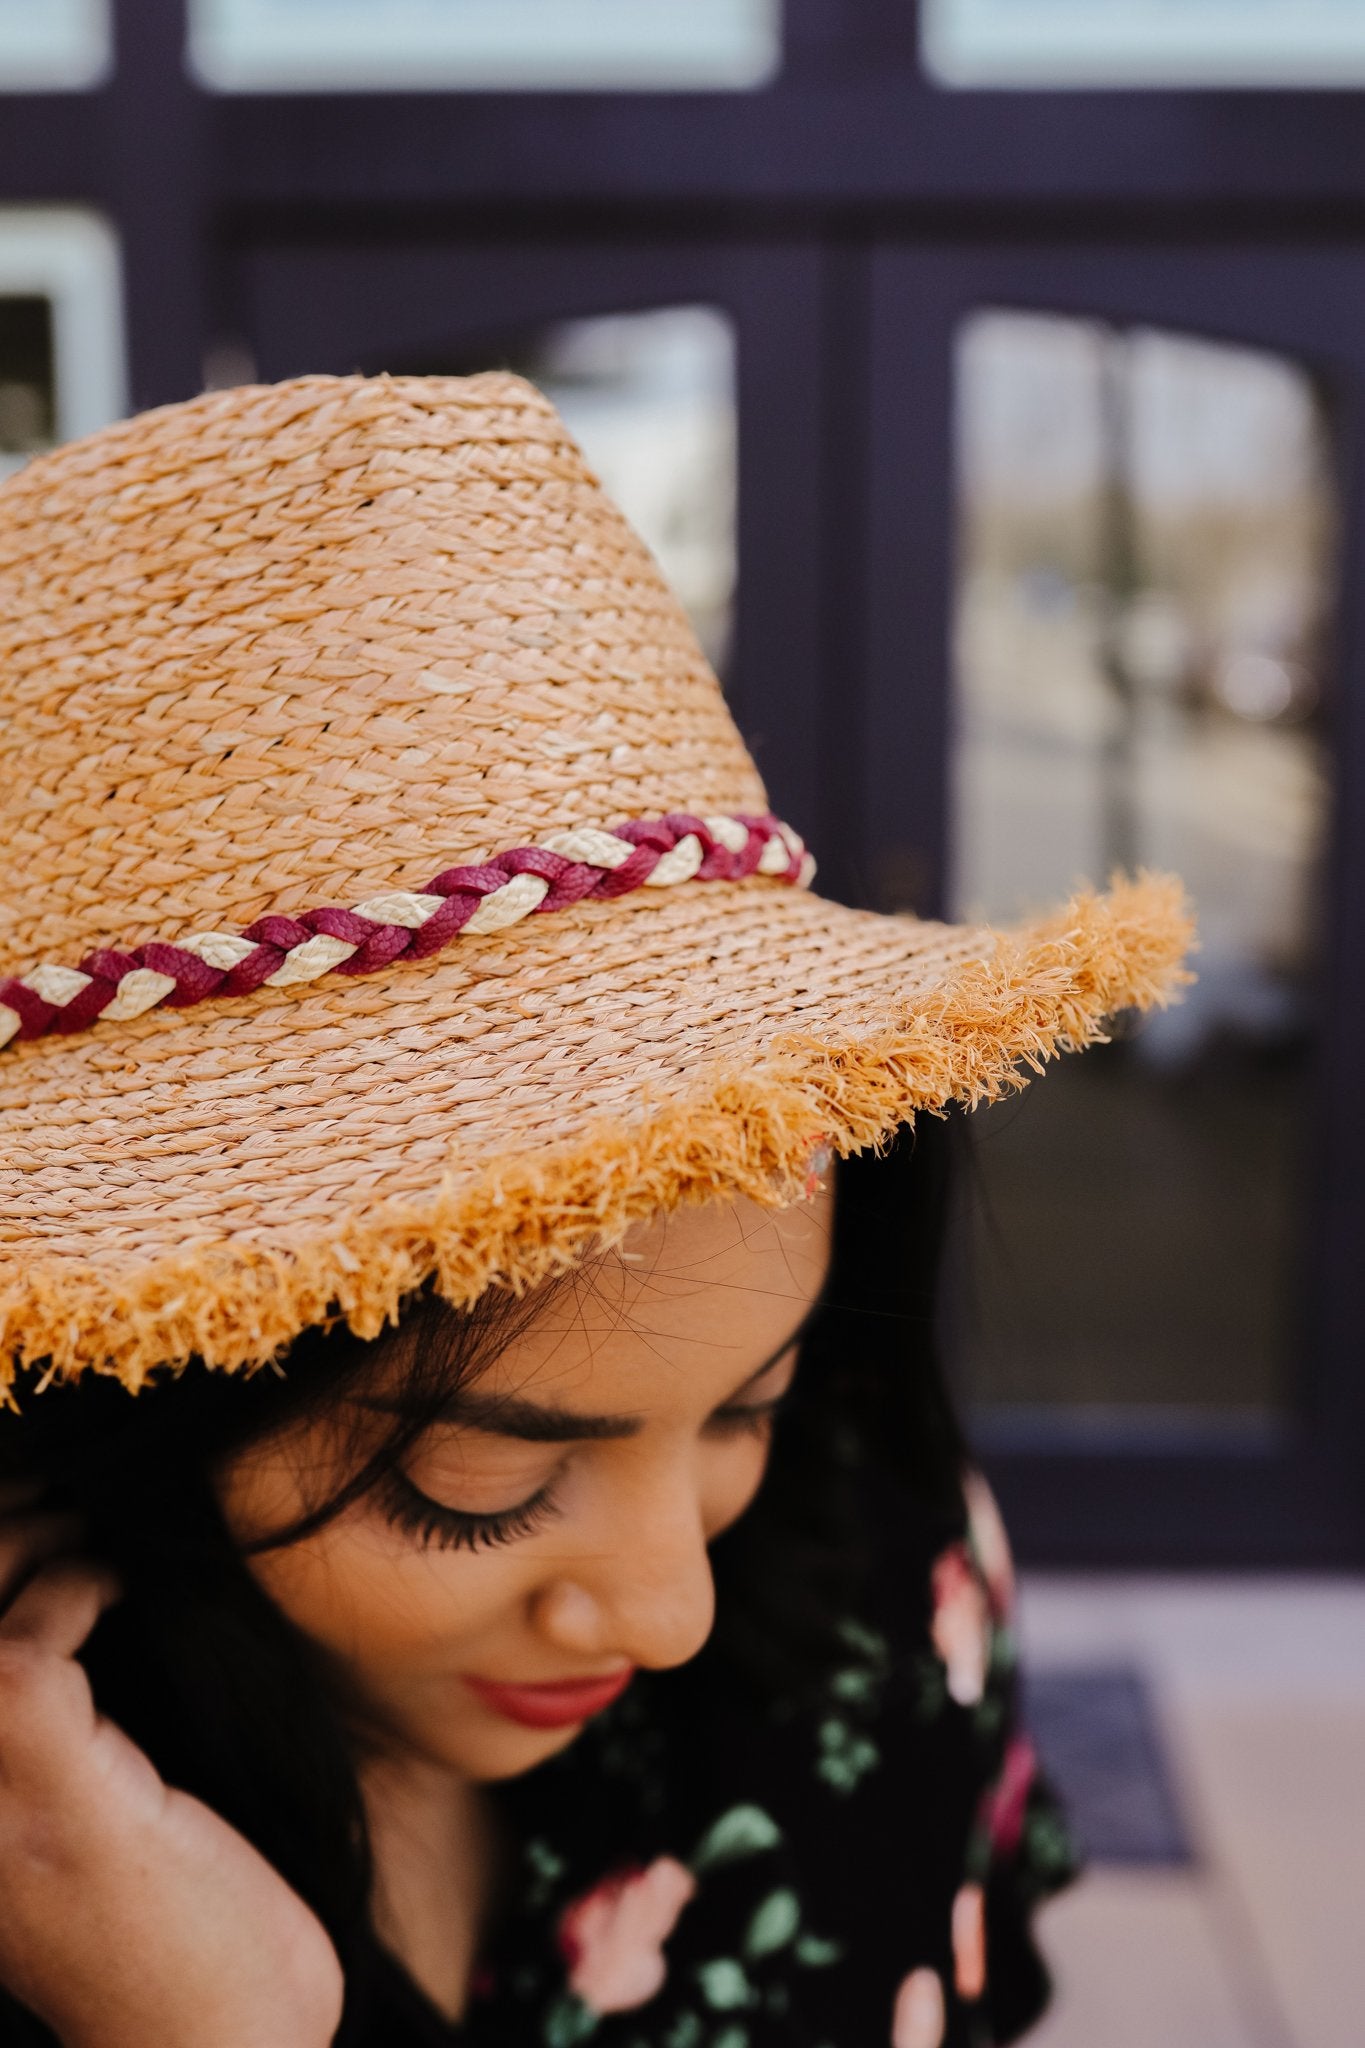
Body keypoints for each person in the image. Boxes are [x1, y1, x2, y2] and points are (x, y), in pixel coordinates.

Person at [0, 372, 1191, 2048]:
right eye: (482, 1487)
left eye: (744, 1411)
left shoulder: (886, 1566)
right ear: (130, 1388)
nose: (666, 1610)